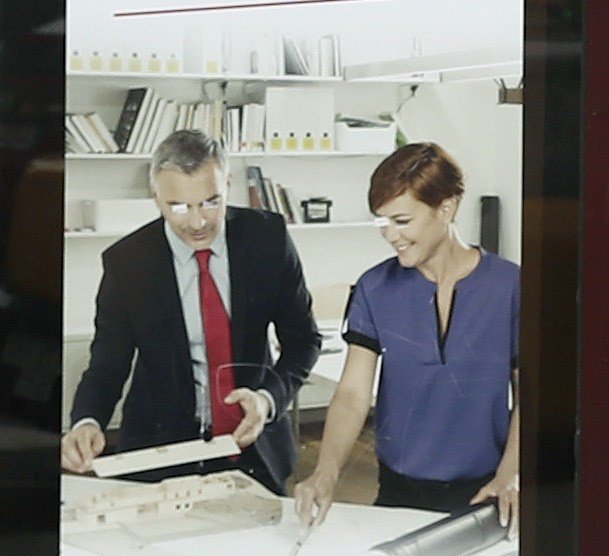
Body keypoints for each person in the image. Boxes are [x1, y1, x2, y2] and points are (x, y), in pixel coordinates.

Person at [60, 129, 323, 495]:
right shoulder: (127, 263)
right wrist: (86, 421)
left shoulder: (268, 239)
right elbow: (108, 362)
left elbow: (303, 341)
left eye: (211, 202)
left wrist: (266, 400)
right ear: (156, 197)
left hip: (253, 445)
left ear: (228, 184)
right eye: (179, 207)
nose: (198, 222)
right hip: (159, 450)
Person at [294, 143, 525, 531]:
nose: (390, 235)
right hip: (398, 489)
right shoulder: (374, 288)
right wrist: (326, 473)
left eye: (401, 221)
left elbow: (530, 395)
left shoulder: (512, 286)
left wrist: (510, 475)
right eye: (381, 222)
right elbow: (352, 393)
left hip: (486, 491)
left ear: (446, 208)